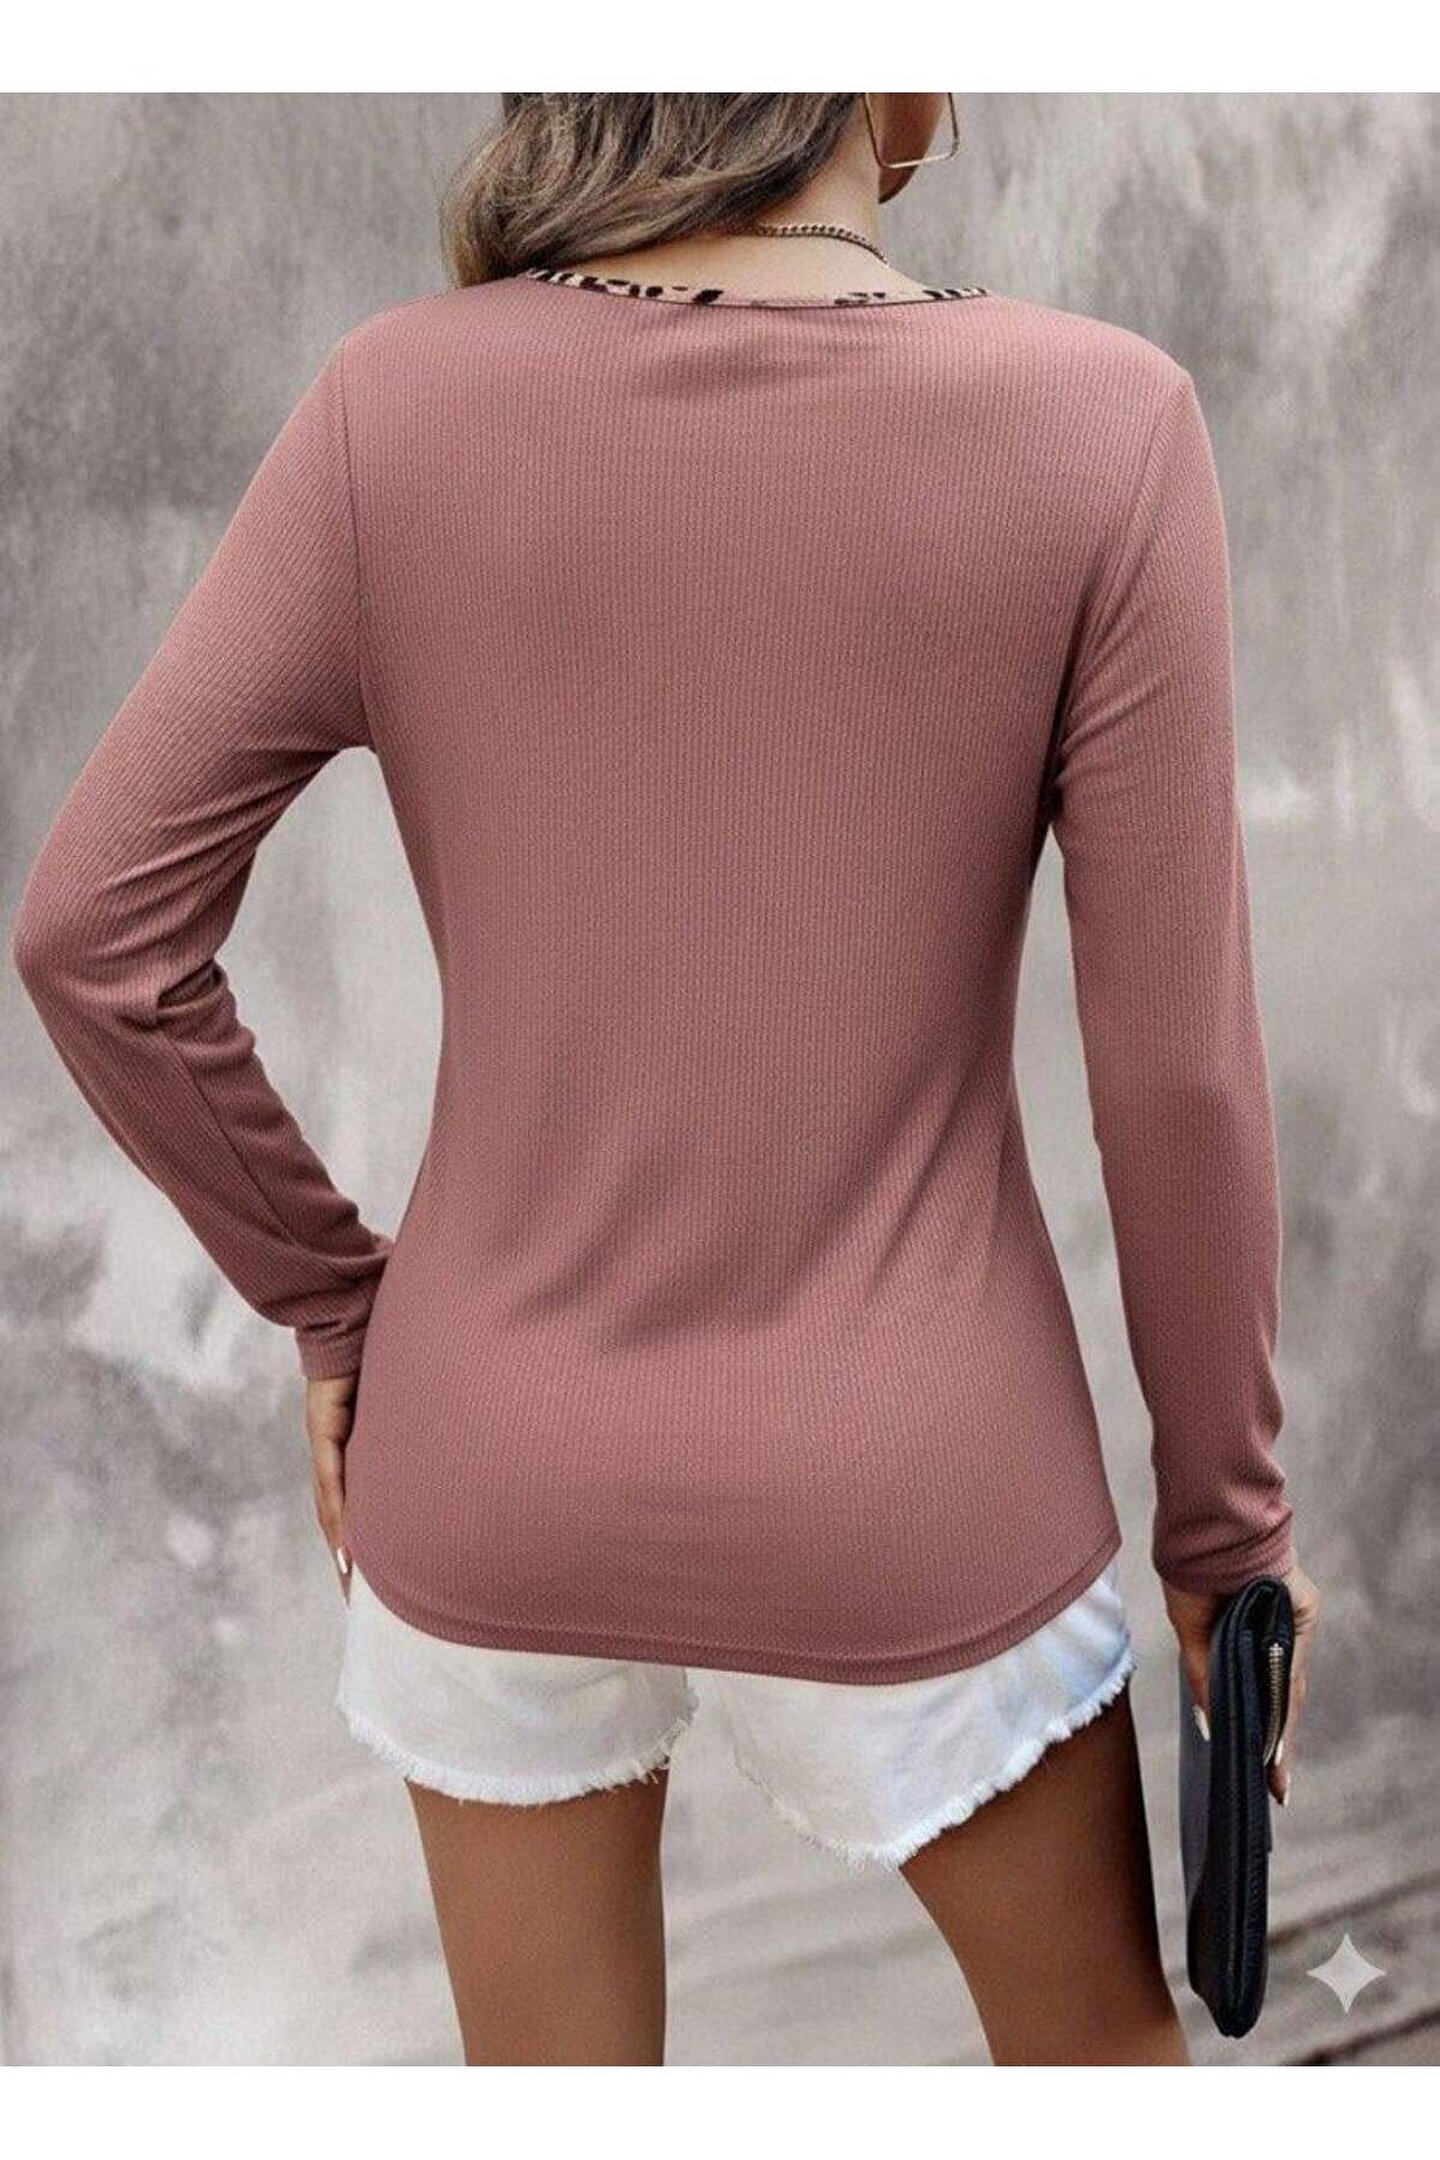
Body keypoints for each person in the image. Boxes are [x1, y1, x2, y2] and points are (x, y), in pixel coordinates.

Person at [10, 92, 1320, 2066]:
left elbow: (92, 934)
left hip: (490, 1461)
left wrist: (341, 1304)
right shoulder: (1100, 427)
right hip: (916, 1479)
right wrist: (1228, 1542)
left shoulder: (393, 407)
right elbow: (1179, 1080)